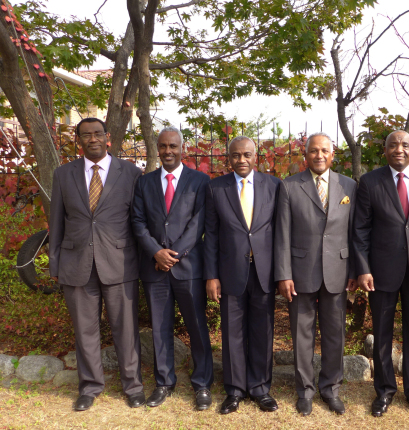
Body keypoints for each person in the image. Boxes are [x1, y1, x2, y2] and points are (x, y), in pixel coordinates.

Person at [49, 118, 144, 411]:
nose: (92, 139)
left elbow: (139, 221)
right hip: (76, 263)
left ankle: (133, 386)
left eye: (97, 134)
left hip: (120, 262)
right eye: (86, 135)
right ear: (79, 140)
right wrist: (55, 264)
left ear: (108, 138)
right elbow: (56, 222)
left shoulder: (130, 172)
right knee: (85, 329)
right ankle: (90, 387)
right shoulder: (63, 174)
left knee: (125, 329)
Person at [352, 130, 409, 418]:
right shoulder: (370, 181)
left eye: (405, 145)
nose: (399, 149)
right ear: (385, 150)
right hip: (381, 271)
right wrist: (363, 268)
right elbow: (361, 230)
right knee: (382, 333)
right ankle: (385, 390)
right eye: (393, 145)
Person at [275, 132, 357, 416]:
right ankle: (305, 390)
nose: (319, 155)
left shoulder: (349, 186)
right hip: (300, 272)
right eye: (313, 151)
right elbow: (282, 235)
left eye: (324, 150)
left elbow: (354, 233)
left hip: (338, 270)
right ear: (305, 154)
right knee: (302, 334)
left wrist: (356, 270)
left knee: (335, 334)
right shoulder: (288, 187)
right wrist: (283, 274)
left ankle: (331, 389)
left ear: (332, 154)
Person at [131, 126, 213, 410]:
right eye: (163, 146)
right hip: (154, 268)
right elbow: (138, 222)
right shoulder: (145, 182)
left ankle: (202, 384)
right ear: (157, 148)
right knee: (160, 329)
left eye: (173, 146)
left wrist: (173, 254)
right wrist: (156, 251)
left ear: (182, 149)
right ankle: (164, 382)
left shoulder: (200, 181)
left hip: (188, 267)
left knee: (197, 327)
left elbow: (199, 223)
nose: (168, 151)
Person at [204, 136, 281, 414]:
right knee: (232, 332)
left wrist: (282, 273)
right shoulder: (216, 188)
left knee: (263, 331)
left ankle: (260, 388)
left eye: (247, 154)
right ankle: (235, 390)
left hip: (264, 272)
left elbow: (280, 233)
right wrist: (211, 276)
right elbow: (211, 235)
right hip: (230, 272)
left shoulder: (273, 185)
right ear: (228, 158)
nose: (242, 160)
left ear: (255, 156)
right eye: (236, 155)